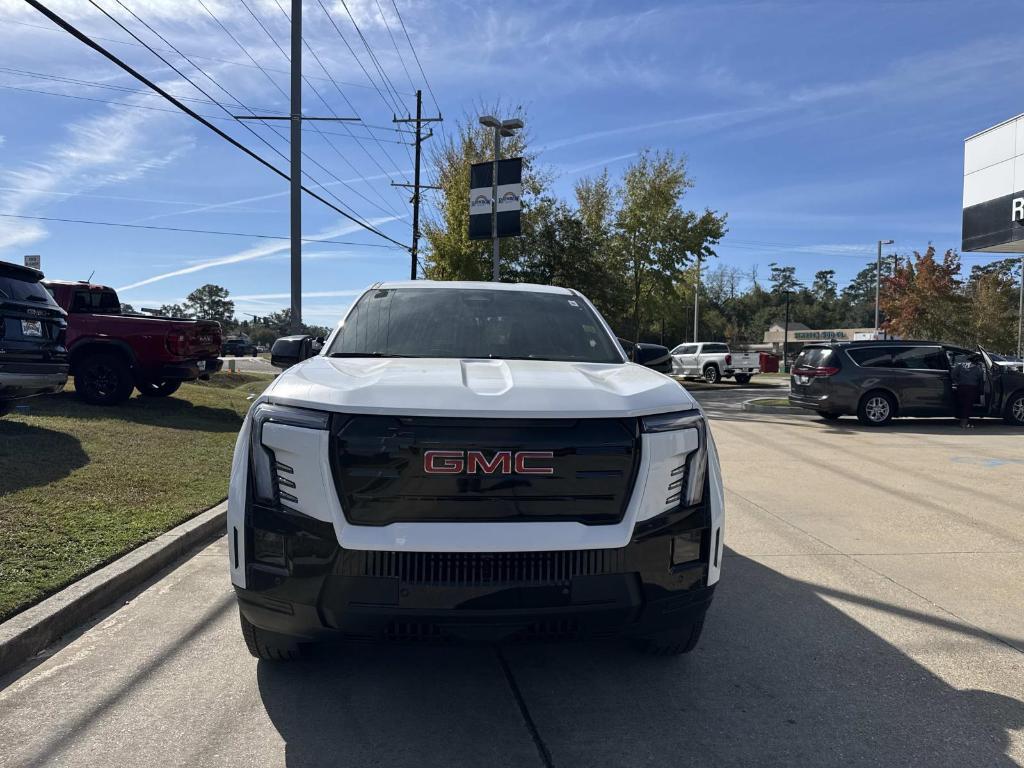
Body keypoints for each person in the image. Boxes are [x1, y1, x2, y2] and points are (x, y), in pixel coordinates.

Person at [951, 353, 984, 428]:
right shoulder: (978, 369)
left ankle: (960, 420)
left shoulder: (960, 365)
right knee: (967, 406)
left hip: (961, 387)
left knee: (961, 404)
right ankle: (964, 423)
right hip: (971, 389)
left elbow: (953, 375)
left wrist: (957, 382)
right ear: (977, 361)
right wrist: (981, 391)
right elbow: (980, 381)